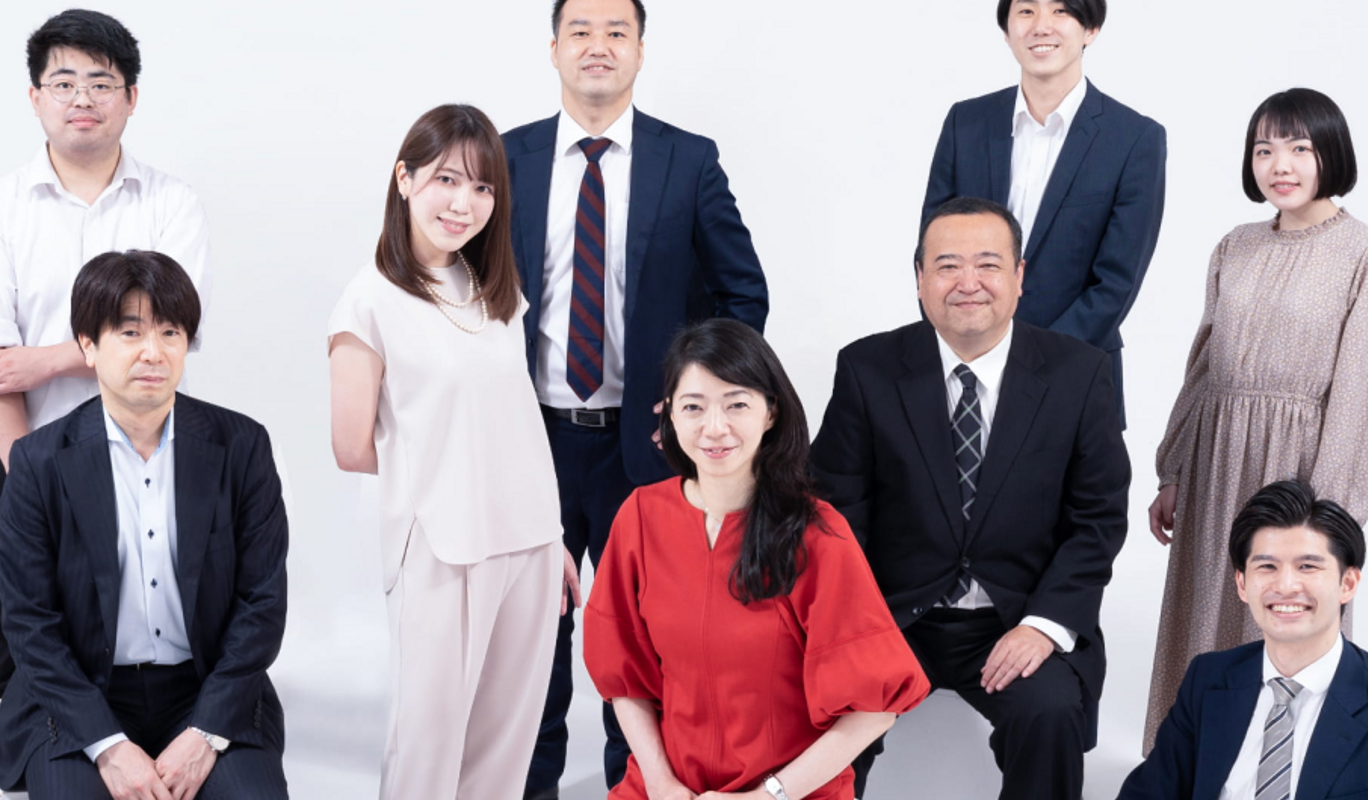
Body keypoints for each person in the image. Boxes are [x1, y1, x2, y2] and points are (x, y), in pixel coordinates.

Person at [501, 2, 772, 793]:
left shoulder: (687, 160)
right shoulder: (508, 157)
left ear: (641, 52)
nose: (599, 45)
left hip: (647, 447)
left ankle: (639, 786)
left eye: (617, 32)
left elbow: (742, 293)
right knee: (533, 642)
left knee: (651, 646)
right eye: (581, 31)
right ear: (554, 48)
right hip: (533, 442)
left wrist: (694, 402)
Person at [0, 8, 211, 763]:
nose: (82, 98)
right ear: (35, 98)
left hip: (151, 459)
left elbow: (172, 329)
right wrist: (28, 476)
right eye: (63, 82)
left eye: (101, 81)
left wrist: (46, 359)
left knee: (144, 626)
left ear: (131, 97)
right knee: (20, 623)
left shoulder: (172, 205)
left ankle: (136, 750)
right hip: (20, 458)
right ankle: (28, 761)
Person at [814, 197, 1130, 800]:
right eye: (947, 266)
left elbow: (1097, 520)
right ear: (919, 279)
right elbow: (835, 515)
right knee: (826, 708)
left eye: (988, 264)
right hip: (894, 617)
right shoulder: (867, 369)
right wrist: (858, 626)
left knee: (1049, 711)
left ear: (1019, 275)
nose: (968, 283)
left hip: (1017, 615)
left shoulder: (1080, 373)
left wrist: (1044, 626)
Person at [328, 104, 579, 800]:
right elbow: (351, 446)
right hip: (442, 547)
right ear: (404, 179)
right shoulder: (369, 301)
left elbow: (514, 424)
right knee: (427, 747)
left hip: (529, 542)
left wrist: (551, 534)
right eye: (446, 179)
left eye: (482, 186)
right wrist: (447, 477)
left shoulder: (494, 291)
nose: (463, 203)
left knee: (505, 749)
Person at [1140, 88, 1368, 745]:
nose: (1280, 164)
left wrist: (1329, 515)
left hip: (1296, 473)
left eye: (1299, 148)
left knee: (1284, 617)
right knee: (1206, 612)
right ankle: (1191, 760)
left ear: (1331, 153)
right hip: (1216, 463)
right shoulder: (1235, 246)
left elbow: (1361, 393)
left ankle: (1279, 767)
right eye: (1264, 150)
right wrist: (1174, 469)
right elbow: (1205, 365)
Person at [585, 319, 928, 800]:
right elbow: (625, 677)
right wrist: (661, 782)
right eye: (693, 407)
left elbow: (875, 708)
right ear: (669, 416)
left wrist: (767, 796)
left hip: (788, 792)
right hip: (667, 787)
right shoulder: (640, 518)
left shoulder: (817, 533)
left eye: (737, 404)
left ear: (771, 413)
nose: (714, 428)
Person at [0, 251, 290, 800]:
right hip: (80, 695)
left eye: (170, 332)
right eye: (130, 332)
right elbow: (30, 623)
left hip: (205, 690)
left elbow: (262, 604)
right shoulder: (39, 461)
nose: (154, 352)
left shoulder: (242, 447)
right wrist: (107, 744)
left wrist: (205, 733)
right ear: (88, 345)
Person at [1120, 480, 1368, 800]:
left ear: (1347, 584)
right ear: (1242, 584)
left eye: (1307, 567)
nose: (1285, 586)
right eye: (1267, 567)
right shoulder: (1208, 680)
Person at [916, 0, 1166, 392]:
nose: (1041, 26)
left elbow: (1117, 282)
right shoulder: (965, 123)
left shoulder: (1134, 138)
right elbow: (932, 253)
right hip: (964, 366)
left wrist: (1030, 363)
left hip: (1073, 372)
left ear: (1091, 29)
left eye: (1061, 11)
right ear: (1006, 30)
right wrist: (962, 343)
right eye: (1026, 11)